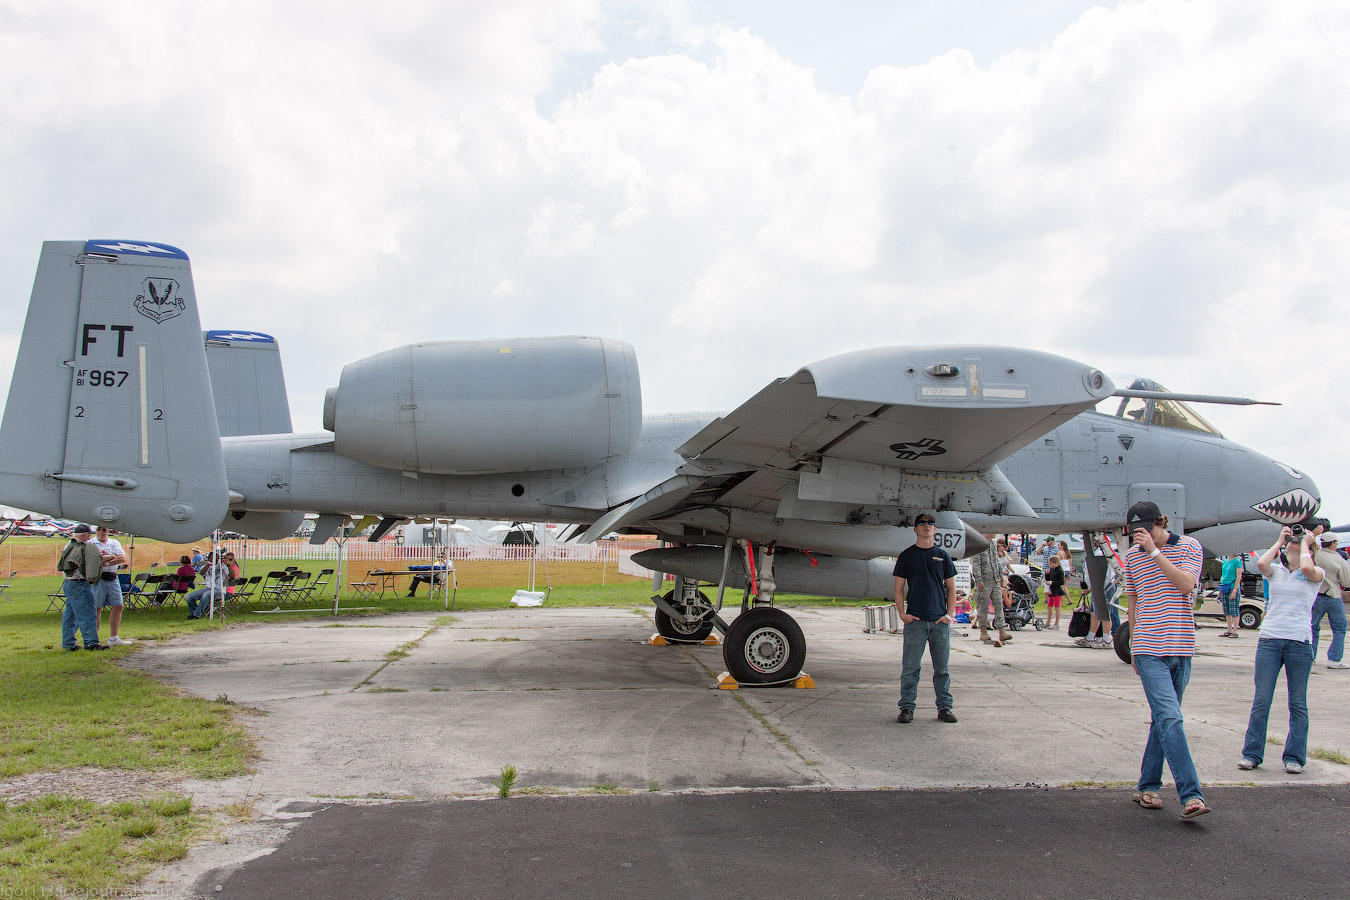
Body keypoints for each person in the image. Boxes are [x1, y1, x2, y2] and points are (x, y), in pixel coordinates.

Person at [1123, 501, 1209, 820]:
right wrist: (1132, 643)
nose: (1140, 536)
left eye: (1145, 529)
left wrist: (1155, 553)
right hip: (1148, 645)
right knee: (1171, 718)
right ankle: (1191, 795)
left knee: (1163, 718)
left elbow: (1187, 584)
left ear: (1160, 522)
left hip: (1181, 646)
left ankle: (1147, 786)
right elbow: (1132, 598)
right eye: (1134, 531)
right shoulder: (1132, 556)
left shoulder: (1189, 547)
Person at [1239, 527, 1324, 773]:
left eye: (1296, 546)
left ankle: (1295, 757)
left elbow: (1307, 568)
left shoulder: (1314, 573)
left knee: (1297, 703)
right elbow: (1261, 563)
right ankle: (1252, 754)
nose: (1292, 547)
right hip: (1270, 640)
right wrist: (1279, 540)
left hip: (1299, 642)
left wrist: (1307, 542)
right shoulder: (1276, 572)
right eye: (1290, 546)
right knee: (1261, 700)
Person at [892, 512, 958, 724]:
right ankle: (907, 708)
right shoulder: (907, 556)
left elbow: (951, 588)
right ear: (915, 529)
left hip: (939, 622)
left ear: (935, 529)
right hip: (916, 622)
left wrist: (950, 614)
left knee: (942, 669)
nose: (927, 526)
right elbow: (899, 589)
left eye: (930, 523)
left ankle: (945, 708)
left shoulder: (943, 556)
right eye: (922, 523)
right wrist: (902, 614)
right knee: (910, 668)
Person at [57, 524, 105, 651]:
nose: (89, 539)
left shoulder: (68, 545)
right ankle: (91, 643)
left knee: (70, 615)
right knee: (88, 613)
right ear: (84, 535)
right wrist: (105, 557)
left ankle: (68, 643)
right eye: (89, 536)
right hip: (79, 583)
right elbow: (88, 563)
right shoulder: (81, 546)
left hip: (68, 583)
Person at [89, 525, 133, 647]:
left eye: (104, 530)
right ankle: (94, 639)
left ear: (108, 531)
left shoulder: (114, 542)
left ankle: (114, 637)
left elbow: (122, 558)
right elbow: (94, 560)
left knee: (118, 605)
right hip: (99, 577)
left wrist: (106, 560)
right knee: (97, 608)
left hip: (113, 576)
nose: (101, 532)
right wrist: (111, 557)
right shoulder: (91, 543)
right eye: (98, 530)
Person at [1311, 532, 1349, 669]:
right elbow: (1346, 581)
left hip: (1316, 595)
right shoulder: (1339, 560)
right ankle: (1334, 659)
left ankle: (1310, 656)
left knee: (1312, 627)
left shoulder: (1315, 555)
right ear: (1332, 543)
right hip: (1333, 596)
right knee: (1339, 628)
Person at [970, 534, 1011, 647]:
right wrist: (979, 580)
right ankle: (983, 631)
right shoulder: (979, 544)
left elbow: (996, 560)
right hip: (984, 582)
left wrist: (1001, 576)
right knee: (982, 607)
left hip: (995, 580)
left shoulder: (992, 543)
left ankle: (1002, 631)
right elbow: (976, 564)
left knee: (999, 605)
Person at [184, 554, 227, 619]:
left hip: (219, 589)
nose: (214, 560)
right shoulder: (206, 565)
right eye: (211, 558)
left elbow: (231, 574)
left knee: (205, 595)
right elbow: (201, 572)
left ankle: (196, 615)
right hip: (208, 588)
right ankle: (196, 612)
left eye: (216, 558)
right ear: (208, 558)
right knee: (189, 597)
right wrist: (209, 564)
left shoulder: (222, 565)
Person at [1216, 552, 1245, 638]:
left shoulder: (1237, 562)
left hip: (1232, 586)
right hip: (1224, 586)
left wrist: (1235, 590)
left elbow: (1238, 576)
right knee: (1227, 610)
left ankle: (1235, 631)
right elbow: (1223, 575)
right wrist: (1220, 589)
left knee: (1234, 609)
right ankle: (1229, 629)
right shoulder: (1225, 562)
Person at [1044, 554, 1066, 629]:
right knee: (1049, 606)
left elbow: (1061, 582)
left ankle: (1057, 623)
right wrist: (1046, 574)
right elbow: (1048, 579)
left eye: (1051, 563)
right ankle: (1048, 622)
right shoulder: (1052, 569)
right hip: (1051, 590)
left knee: (1057, 607)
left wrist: (1052, 582)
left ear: (1056, 563)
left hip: (1057, 591)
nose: (1050, 565)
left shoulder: (1060, 570)